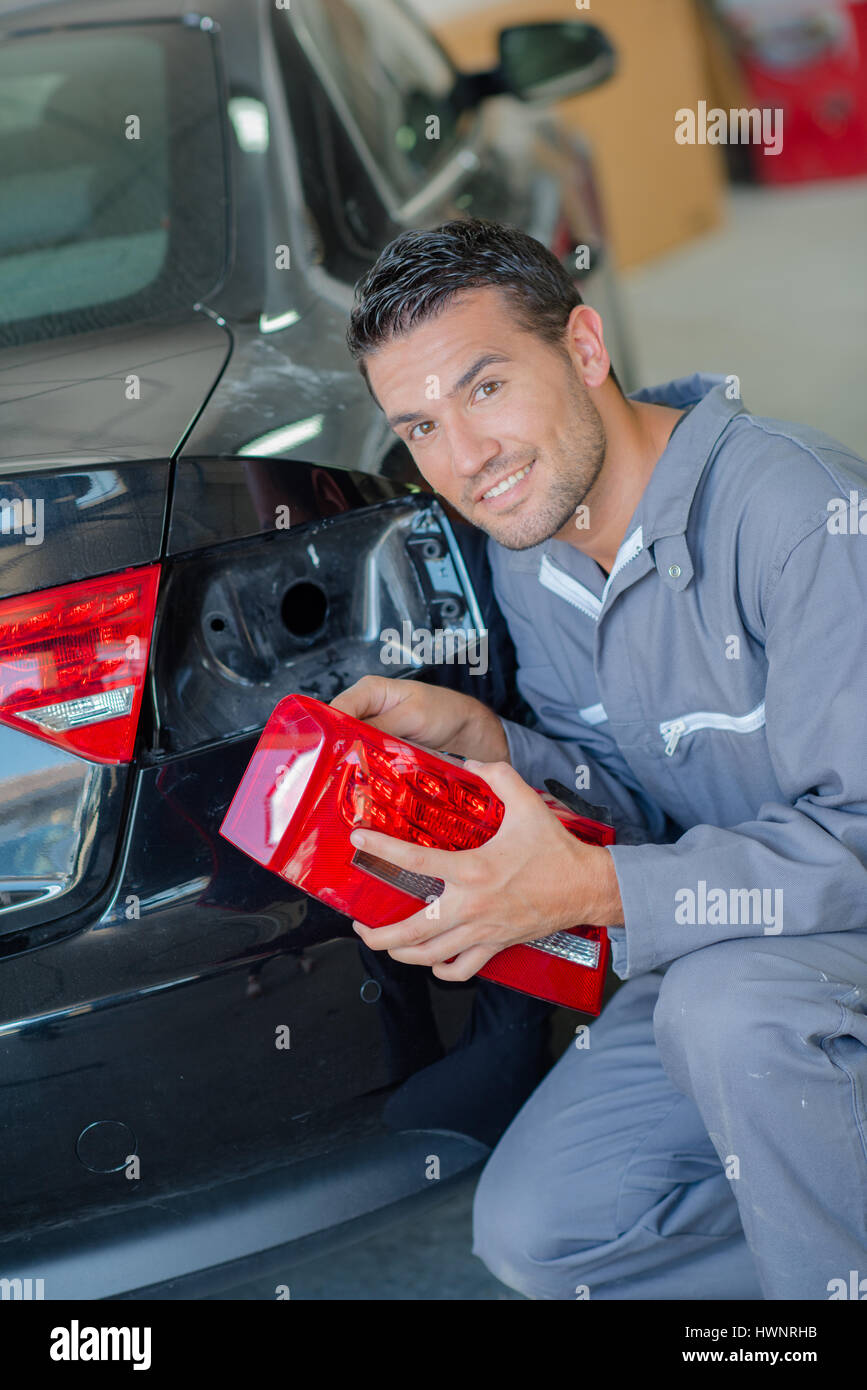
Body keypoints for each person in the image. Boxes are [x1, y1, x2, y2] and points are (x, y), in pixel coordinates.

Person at [331, 217, 867, 1301]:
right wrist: (494, 744)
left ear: (583, 348)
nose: (465, 459)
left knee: (721, 1011)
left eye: (485, 389)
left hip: (802, 948)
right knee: (547, 1229)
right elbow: (632, 793)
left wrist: (599, 887)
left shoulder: (804, 517)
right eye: (421, 425)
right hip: (718, 950)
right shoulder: (534, 562)